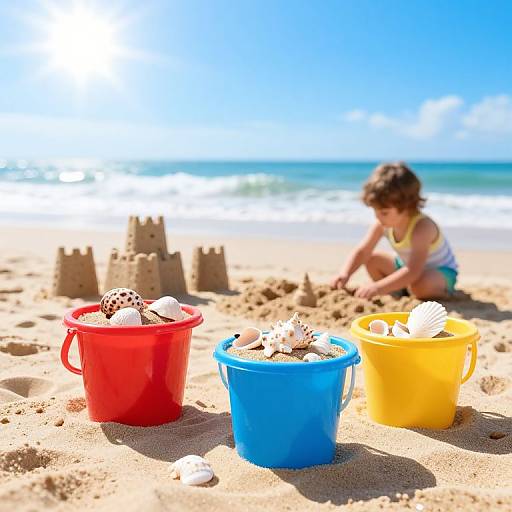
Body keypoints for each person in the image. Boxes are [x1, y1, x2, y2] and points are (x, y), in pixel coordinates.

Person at [330, 162, 458, 299]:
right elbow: (363, 251)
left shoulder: (422, 227)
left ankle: (442, 293)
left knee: (421, 286)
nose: (377, 217)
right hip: (406, 267)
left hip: (438, 273)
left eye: (384, 212)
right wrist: (345, 273)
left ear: (407, 206)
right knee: (373, 260)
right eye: (375, 211)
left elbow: (413, 271)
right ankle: (399, 291)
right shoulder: (383, 224)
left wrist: (377, 287)